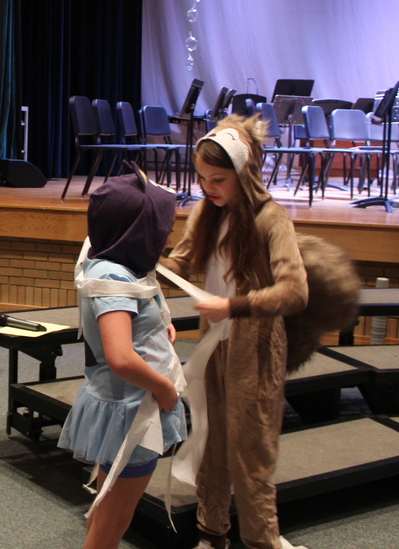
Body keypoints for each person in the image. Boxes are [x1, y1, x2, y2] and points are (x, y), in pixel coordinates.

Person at [159, 116, 308, 549]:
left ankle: (263, 541)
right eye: (202, 178)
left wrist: (234, 305)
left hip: (255, 349)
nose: (208, 187)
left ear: (243, 174)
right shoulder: (206, 212)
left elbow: (295, 290)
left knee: (250, 453)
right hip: (213, 346)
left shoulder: (270, 218)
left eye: (218, 179)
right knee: (208, 442)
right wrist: (137, 261)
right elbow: (180, 263)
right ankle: (212, 533)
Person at [58, 167, 186, 549]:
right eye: (163, 228)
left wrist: (157, 327)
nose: (169, 235)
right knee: (113, 521)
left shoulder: (110, 259)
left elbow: (134, 316)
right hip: (132, 409)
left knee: (108, 505)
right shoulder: (113, 278)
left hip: (126, 405)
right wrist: (164, 389)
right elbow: (120, 357)